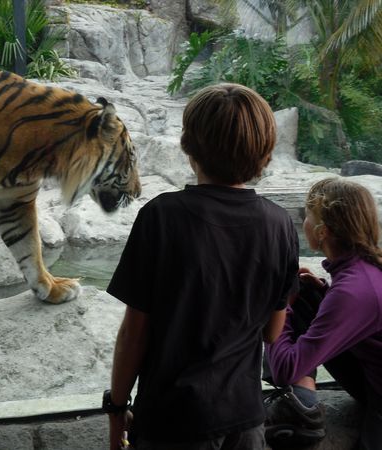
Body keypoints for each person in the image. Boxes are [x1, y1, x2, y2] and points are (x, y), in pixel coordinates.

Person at [104, 83, 299, 450]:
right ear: (265, 152)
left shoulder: (162, 216)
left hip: (171, 421)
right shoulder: (279, 224)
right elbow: (273, 333)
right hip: (245, 421)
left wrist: (116, 408)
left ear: (188, 147)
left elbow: (135, 332)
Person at [264, 178, 382, 450]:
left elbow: (285, 369)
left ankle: (301, 405)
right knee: (308, 296)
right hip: (371, 376)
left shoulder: (353, 290)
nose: (303, 221)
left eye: (307, 216)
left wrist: (283, 304)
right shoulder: (363, 270)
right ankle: (303, 396)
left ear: (322, 231)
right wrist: (319, 295)